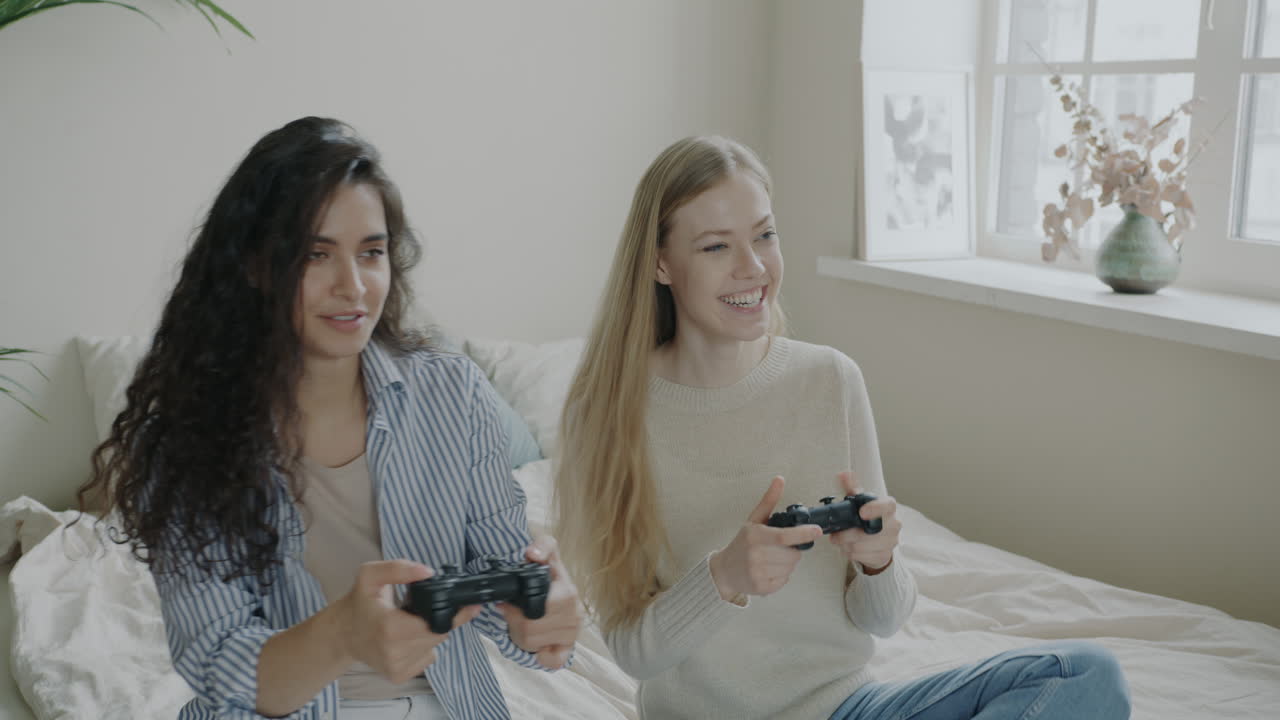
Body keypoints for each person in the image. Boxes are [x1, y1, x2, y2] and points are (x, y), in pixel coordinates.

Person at [553, 135, 1130, 720]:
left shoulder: (829, 379)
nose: (752, 267)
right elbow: (631, 651)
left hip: (847, 709)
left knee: (1083, 675)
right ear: (659, 263)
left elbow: (883, 619)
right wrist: (724, 576)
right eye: (715, 246)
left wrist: (878, 560)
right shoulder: (606, 415)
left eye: (764, 235)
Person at [78, 117, 581, 720]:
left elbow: (510, 602)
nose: (354, 287)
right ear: (256, 266)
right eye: (316, 255)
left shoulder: (455, 393)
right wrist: (344, 632)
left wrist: (542, 619)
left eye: (371, 253)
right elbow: (222, 668)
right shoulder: (187, 440)